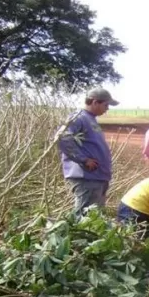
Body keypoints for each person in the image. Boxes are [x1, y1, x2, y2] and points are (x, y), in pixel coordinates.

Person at [57, 87, 119, 215]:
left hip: (97, 177)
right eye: (106, 105)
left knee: (94, 218)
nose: (107, 109)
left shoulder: (90, 119)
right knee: (84, 217)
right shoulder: (79, 117)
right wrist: (84, 160)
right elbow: (62, 137)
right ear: (95, 102)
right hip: (86, 177)